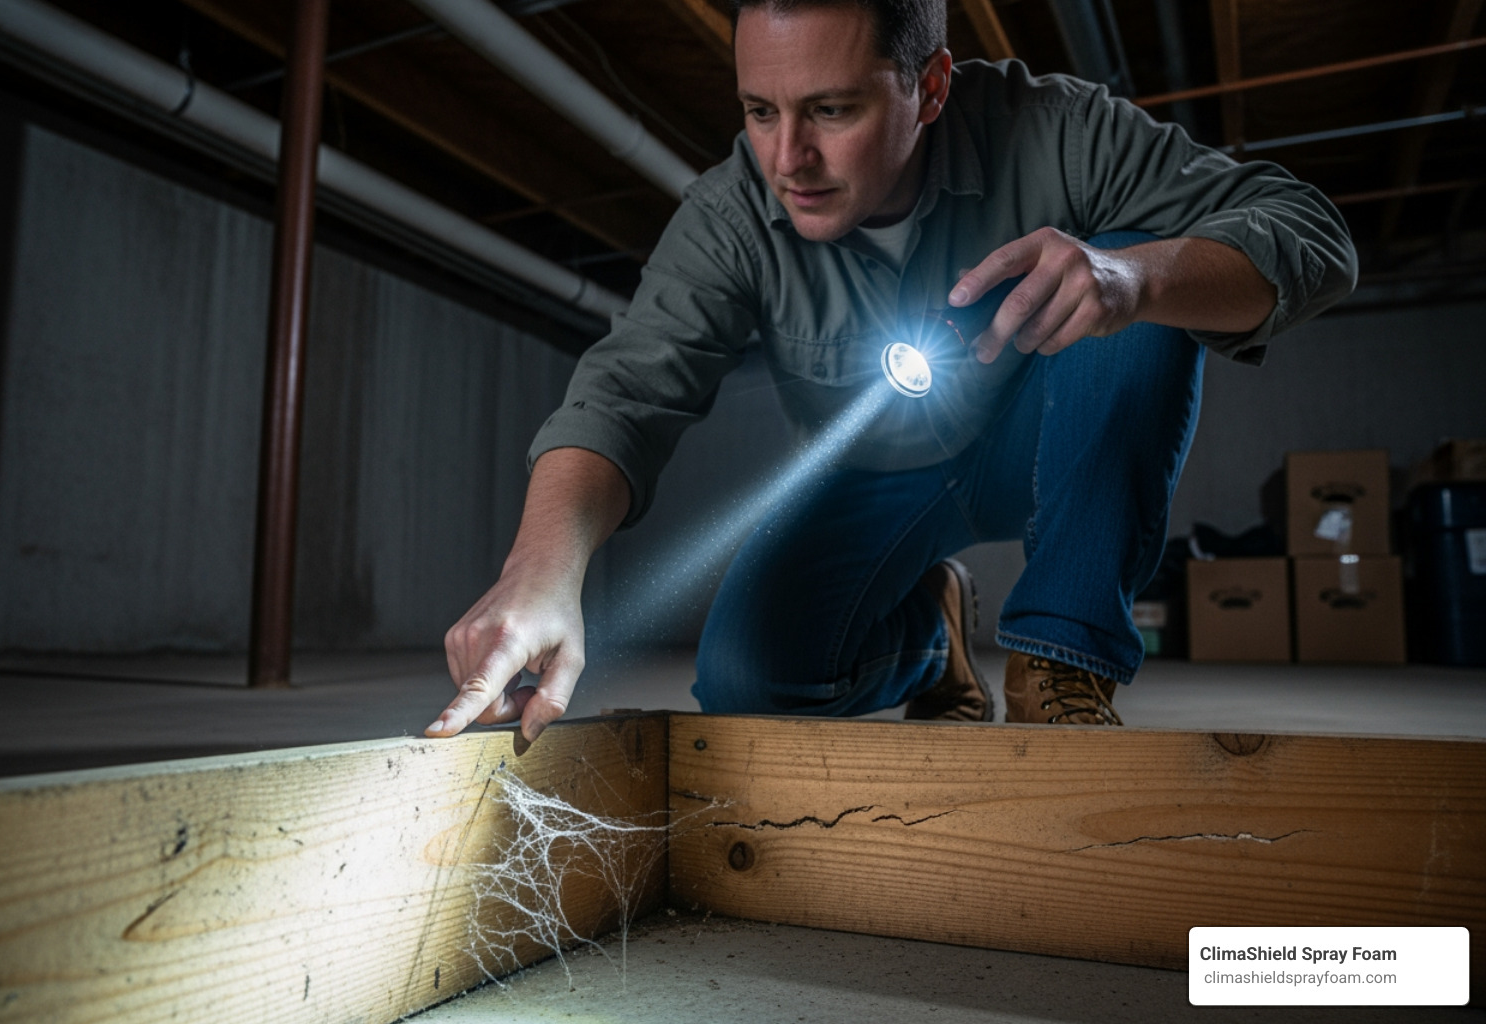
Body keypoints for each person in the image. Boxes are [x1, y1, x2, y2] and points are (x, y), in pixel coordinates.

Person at [425, 0, 1356, 743]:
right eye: (760, 111)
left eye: (832, 110)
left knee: (1134, 263)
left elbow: (1314, 234)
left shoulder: (1057, 130)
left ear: (932, 86)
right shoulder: (732, 214)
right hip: (876, 481)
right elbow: (626, 391)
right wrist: (542, 572)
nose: (789, 159)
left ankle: (1062, 661)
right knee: (754, 682)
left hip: (1044, 441)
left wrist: (1133, 278)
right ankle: (931, 639)